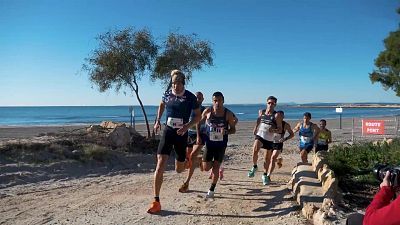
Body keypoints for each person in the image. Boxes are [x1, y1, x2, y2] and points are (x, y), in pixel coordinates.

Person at [147, 70, 201, 214]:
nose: (176, 86)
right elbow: (161, 104)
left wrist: (187, 126)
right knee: (160, 163)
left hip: (181, 134)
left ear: (183, 83)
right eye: (173, 83)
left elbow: (197, 117)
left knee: (179, 169)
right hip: (168, 131)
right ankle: (156, 201)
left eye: (178, 83)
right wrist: (157, 120)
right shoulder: (167, 94)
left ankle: (187, 160)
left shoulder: (190, 97)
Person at [201, 91, 237, 198]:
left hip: (221, 144)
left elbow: (233, 130)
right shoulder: (208, 111)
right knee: (206, 168)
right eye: (215, 101)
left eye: (219, 100)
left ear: (223, 101)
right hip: (209, 143)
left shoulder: (228, 114)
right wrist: (199, 135)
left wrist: (226, 131)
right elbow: (200, 123)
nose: (217, 103)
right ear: (212, 101)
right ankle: (215, 167)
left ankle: (211, 189)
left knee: (216, 166)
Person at [247, 96, 283, 186]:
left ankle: (264, 175)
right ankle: (254, 166)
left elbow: (280, 129)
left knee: (267, 159)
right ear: (266, 103)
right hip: (260, 135)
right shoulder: (262, 112)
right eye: (269, 103)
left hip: (269, 139)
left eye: (273, 103)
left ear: (275, 104)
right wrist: (255, 128)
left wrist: (273, 130)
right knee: (255, 149)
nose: (270, 105)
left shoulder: (276, 115)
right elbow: (259, 120)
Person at [178, 91, 207, 193]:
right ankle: (199, 160)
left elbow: (201, 124)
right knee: (189, 159)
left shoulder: (204, 110)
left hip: (200, 135)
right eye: (196, 98)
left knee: (192, 156)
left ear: (202, 99)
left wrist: (199, 136)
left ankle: (186, 183)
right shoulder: (189, 108)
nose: (198, 100)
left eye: (200, 98)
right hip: (190, 134)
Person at [265, 110, 294, 176]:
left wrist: (285, 138)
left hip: (278, 144)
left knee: (272, 158)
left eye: (279, 117)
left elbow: (292, 134)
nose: (277, 118)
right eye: (276, 117)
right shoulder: (271, 123)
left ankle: (268, 175)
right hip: (270, 143)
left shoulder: (286, 125)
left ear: (283, 117)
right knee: (269, 159)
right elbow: (267, 131)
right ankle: (278, 160)